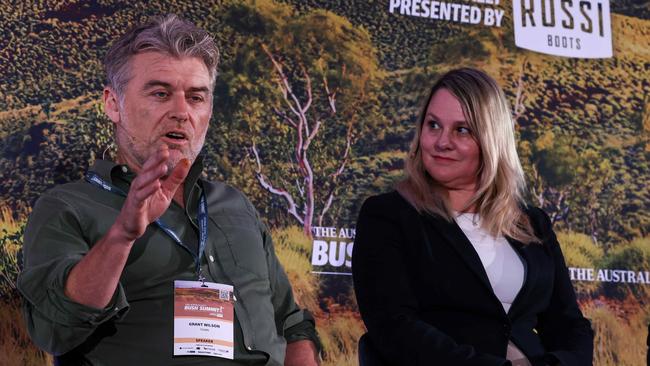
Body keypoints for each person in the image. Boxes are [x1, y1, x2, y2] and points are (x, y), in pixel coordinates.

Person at [17, 14, 320, 366]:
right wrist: (122, 235)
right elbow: (55, 327)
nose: (181, 112)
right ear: (112, 104)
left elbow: (291, 323)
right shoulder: (67, 207)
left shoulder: (233, 205)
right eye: (161, 93)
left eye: (196, 97)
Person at [352, 68, 593, 366]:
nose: (442, 142)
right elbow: (394, 326)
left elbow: (569, 323)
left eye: (461, 130)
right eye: (433, 125)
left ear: (491, 139)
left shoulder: (532, 223)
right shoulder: (387, 215)